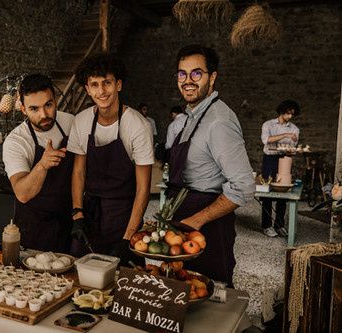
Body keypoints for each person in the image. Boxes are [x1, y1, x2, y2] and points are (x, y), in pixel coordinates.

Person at [167, 44, 255, 286]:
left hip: (209, 226)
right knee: (182, 293)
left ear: (212, 77)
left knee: (210, 296)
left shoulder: (219, 121)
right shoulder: (191, 117)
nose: (188, 80)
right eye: (182, 74)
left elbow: (244, 186)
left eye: (196, 73)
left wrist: (198, 219)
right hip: (183, 215)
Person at [67, 53, 154, 265]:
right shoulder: (81, 121)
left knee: (123, 281)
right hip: (90, 212)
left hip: (124, 214)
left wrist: (128, 237)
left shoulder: (138, 126)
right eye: (94, 85)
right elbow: (79, 172)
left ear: (118, 85)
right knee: (79, 274)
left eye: (107, 83)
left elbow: (143, 188)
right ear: (87, 89)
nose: (101, 91)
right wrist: (78, 215)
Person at [2, 74, 75, 253]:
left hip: (70, 221)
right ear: (23, 109)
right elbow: (22, 193)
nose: (44, 115)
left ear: (55, 101)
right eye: (34, 109)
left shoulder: (71, 123)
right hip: (35, 228)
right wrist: (42, 165)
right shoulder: (16, 141)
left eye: (48, 105)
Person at [260, 100, 300, 237]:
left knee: (283, 191)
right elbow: (266, 140)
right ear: (281, 111)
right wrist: (285, 135)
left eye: (292, 114)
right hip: (269, 159)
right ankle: (266, 225)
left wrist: (292, 150)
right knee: (268, 191)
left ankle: (279, 225)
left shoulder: (295, 129)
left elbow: (292, 149)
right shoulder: (268, 124)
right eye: (288, 113)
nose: (290, 116)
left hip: (284, 159)